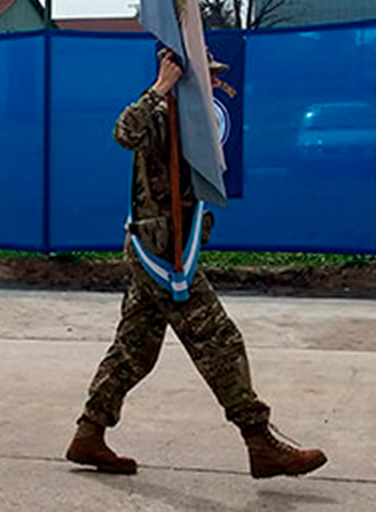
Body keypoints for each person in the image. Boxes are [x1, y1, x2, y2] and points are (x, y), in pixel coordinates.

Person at [65, 47, 327, 479]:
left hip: (169, 247)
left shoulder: (190, 118)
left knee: (134, 351)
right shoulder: (158, 112)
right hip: (162, 257)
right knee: (220, 341)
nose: (211, 80)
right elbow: (122, 132)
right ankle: (259, 441)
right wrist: (160, 86)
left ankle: (89, 433)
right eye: (205, 73)